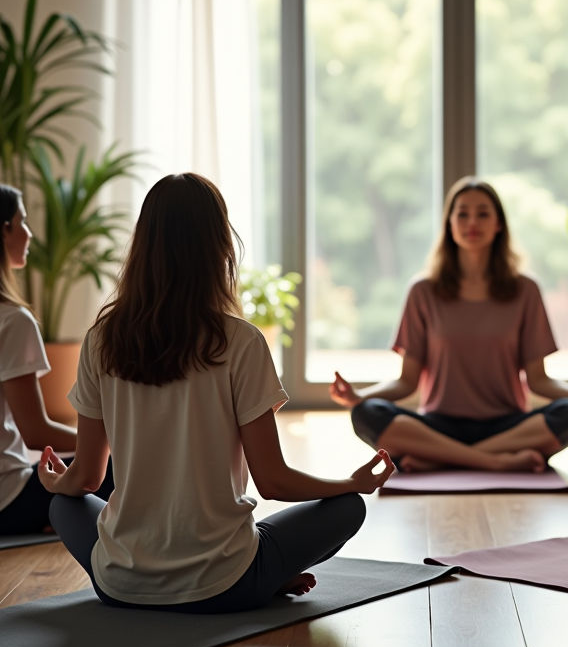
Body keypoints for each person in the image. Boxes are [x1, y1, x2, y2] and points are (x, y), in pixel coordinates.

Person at [39, 174, 394, 613]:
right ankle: (268, 576)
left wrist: (56, 481)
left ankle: (204, 574)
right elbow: (273, 481)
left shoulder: (101, 340)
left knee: (63, 505)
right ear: (221, 246)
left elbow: (87, 479)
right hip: (227, 585)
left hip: (120, 584)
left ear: (142, 245)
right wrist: (350, 483)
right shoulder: (241, 341)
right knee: (348, 508)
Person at [330, 177, 568, 473]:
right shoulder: (422, 291)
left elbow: (538, 380)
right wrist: (359, 397)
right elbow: (407, 382)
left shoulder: (525, 290)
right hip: (439, 425)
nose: (472, 222)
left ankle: (439, 459)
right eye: (463, 214)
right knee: (366, 413)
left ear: (499, 224)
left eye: (483, 213)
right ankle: (493, 461)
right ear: (449, 224)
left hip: (507, 426)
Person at [0, 182, 110, 537]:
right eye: (22, 222)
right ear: (4, 231)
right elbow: (36, 433)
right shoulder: (9, 319)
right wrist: (110, 439)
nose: (29, 234)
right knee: (115, 465)